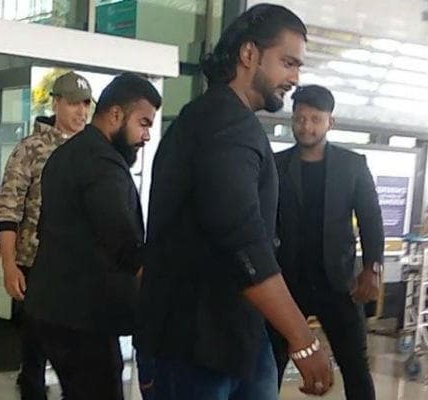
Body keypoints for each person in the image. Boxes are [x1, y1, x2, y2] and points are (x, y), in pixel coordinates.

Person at [137, 4, 334, 400]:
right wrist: (302, 338)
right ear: (249, 54)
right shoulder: (222, 124)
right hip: (195, 346)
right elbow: (242, 241)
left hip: (235, 335)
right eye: (288, 63)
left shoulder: (223, 120)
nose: (295, 79)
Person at [24, 73, 161, 400]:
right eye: (143, 123)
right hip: (83, 317)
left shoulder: (66, 154)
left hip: (54, 309)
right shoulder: (102, 163)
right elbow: (122, 240)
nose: (146, 136)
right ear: (116, 114)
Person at [269, 84, 384, 399]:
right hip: (287, 283)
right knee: (269, 364)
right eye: (300, 119)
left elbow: (371, 218)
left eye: (315, 119)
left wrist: (372, 267)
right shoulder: (276, 166)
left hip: (338, 284)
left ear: (330, 122)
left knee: (355, 365)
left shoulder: (352, 165)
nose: (306, 126)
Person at [0, 71, 93, 399]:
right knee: (35, 347)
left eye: (86, 104)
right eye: (73, 104)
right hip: (37, 262)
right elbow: (8, 210)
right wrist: (9, 265)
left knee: (79, 349)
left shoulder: (94, 148)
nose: (81, 112)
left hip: (81, 266)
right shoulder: (31, 148)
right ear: (56, 103)